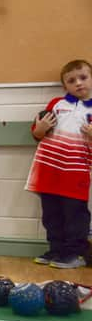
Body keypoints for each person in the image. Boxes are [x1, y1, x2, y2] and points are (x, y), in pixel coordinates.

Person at [26, 59, 92, 269]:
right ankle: (56, 250)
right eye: (71, 80)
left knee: (75, 214)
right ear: (65, 86)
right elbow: (36, 134)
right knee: (51, 214)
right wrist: (41, 128)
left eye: (83, 77)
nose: (78, 83)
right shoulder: (56, 104)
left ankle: (75, 253)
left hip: (76, 173)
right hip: (49, 171)